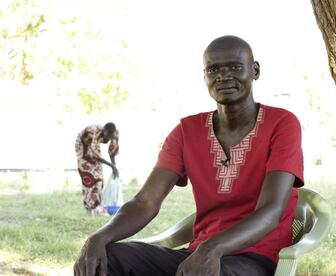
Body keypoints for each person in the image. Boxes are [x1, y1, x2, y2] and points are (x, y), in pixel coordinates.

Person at [74, 35, 304, 276]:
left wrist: (213, 249)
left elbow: (271, 210)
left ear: (254, 71)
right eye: (214, 69)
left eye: (235, 67)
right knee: (107, 258)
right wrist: (100, 236)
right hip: (198, 256)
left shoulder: (282, 124)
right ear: (204, 76)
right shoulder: (187, 131)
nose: (223, 76)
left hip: (255, 259)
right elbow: (145, 202)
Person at [75, 122, 120, 216]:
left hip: (93, 148)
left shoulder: (115, 134)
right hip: (82, 146)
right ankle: (89, 208)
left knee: (99, 177)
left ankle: (97, 206)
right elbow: (97, 155)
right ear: (104, 131)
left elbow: (112, 150)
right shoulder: (95, 132)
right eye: (107, 136)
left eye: (110, 137)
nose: (108, 139)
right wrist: (112, 166)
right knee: (88, 177)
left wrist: (114, 166)